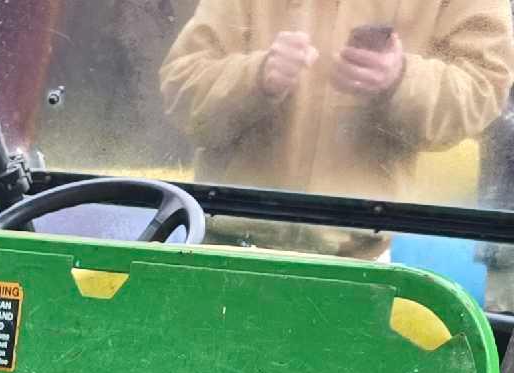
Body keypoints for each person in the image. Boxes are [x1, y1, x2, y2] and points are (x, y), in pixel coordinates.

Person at [161, 3, 514, 251]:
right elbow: (179, 90)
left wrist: (401, 80)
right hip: (226, 245)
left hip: (360, 258)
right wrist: (256, 77)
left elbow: (483, 89)